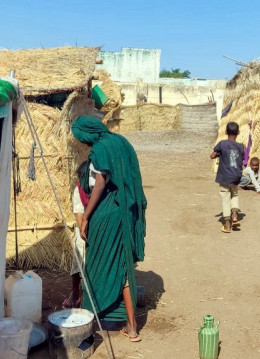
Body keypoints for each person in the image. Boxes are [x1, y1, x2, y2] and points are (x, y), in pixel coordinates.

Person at [72, 115, 147, 343]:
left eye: (81, 138)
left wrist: (86, 216)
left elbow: (101, 182)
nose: (83, 143)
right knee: (123, 267)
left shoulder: (100, 149)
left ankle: (88, 323)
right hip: (124, 210)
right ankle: (132, 327)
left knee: (96, 265)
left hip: (106, 213)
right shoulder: (120, 142)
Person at [62, 161, 89, 309]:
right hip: (86, 233)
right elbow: (80, 218)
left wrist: (83, 229)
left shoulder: (80, 191)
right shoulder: (84, 190)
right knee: (79, 265)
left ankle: (77, 298)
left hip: (86, 233)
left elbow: (79, 216)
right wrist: (84, 230)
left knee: (79, 266)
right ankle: (76, 296)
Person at [210, 122, 244, 233]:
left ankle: (227, 224)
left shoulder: (222, 144)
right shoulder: (240, 146)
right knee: (234, 194)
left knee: (225, 198)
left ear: (225, 132)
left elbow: (212, 156)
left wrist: (219, 154)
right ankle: (235, 215)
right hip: (236, 176)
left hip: (225, 176)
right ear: (238, 133)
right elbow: (241, 159)